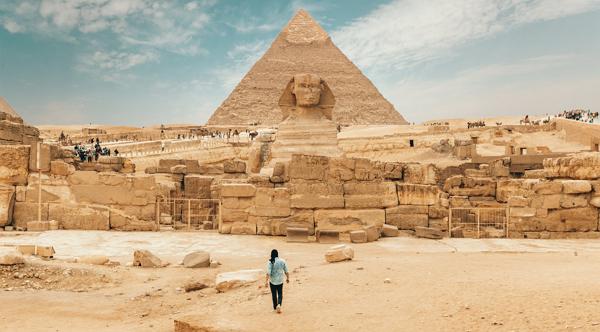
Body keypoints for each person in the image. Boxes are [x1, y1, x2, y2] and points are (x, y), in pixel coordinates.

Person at [265, 249, 289, 314]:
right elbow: (286, 271)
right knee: (280, 293)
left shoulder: (270, 262)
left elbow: (268, 273)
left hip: (272, 281)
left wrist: (266, 281)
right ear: (277, 254)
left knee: (274, 294)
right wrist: (287, 278)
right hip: (280, 281)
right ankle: (279, 304)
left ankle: (275, 307)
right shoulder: (282, 261)